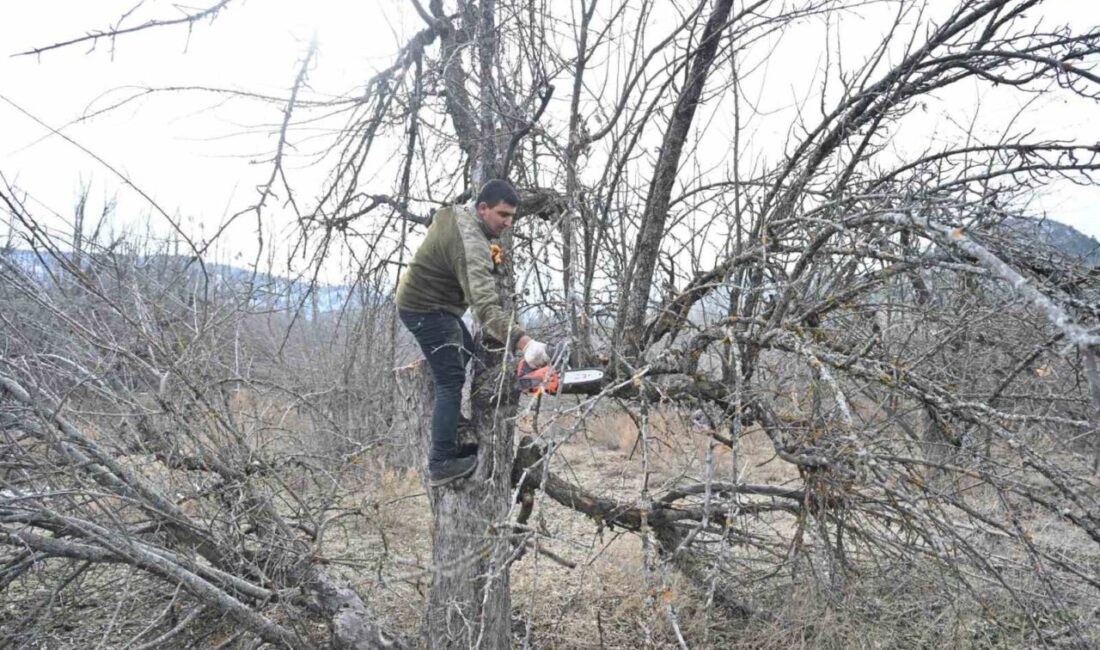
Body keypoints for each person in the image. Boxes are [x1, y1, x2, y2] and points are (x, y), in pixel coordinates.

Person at [396, 179, 551, 487]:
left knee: (464, 349)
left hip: (439, 307)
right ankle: (441, 462)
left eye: (512, 217)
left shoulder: (459, 215)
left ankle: (454, 426)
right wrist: (525, 343)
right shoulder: (473, 245)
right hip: (424, 309)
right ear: (482, 208)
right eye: (502, 215)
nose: (508, 223)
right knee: (450, 379)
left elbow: (441, 223)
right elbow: (486, 310)